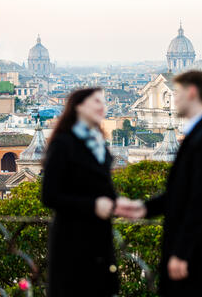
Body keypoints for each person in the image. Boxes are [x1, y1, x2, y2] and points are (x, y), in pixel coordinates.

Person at [116, 70, 202, 297]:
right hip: (196, 255)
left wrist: (181, 253)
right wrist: (143, 209)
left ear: (191, 93)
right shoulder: (201, 135)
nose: (173, 99)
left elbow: (201, 201)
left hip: (199, 257)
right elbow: (182, 194)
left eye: (177, 93)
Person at [42, 87, 128, 296]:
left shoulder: (100, 145)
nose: (103, 107)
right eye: (97, 101)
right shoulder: (63, 144)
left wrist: (119, 203)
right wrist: (93, 205)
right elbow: (49, 195)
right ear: (79, 107)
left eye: (104, 102)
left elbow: (102, 190)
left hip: (99, 239)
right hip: (72, 240)